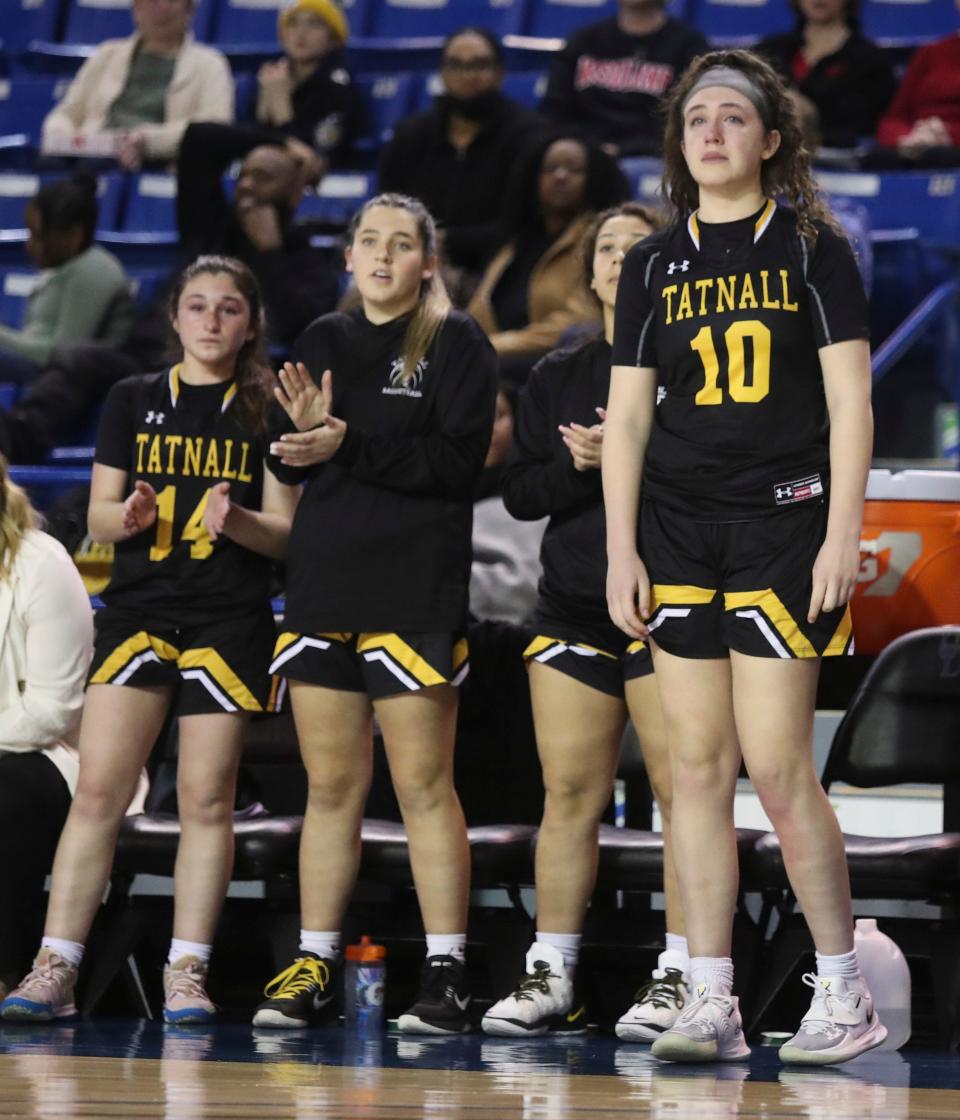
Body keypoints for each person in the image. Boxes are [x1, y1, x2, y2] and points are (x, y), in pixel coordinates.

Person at [604, 49, 882, 1066]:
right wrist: (620, 549)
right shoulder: (649, 262)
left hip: (781, 521)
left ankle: (843, 987)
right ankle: (711, 991)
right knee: (691, 769)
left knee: (775, 767)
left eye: (732, 118)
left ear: (771, 141)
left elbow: (852, 401)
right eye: (695, 120)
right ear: (680, 146)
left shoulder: (814, 246)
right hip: (677, 527)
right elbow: (628, 420)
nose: (711, 132)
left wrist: (844, 531)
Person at [0, 256, 300, 1025]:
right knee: (98, 790)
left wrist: (237, 522)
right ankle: (55, 965)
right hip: (138, 612)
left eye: (227, 308)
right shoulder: (132, 398)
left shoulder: (266, 408)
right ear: (172, 317)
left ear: (249, 323)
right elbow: (97, 514)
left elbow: (286, 535)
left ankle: (187, 971)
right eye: (196, 306)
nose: (210, 320)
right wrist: (125, 515)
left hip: (230, 619)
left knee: (207, 798)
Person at [253, 193, 497, 1035]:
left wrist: (345, 441)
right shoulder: (322, 337)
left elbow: (457, 464)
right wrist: (292, 438)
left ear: (428, 261)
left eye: (402, 245)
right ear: (349, 257)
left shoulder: (456, 341)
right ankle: (315, 961)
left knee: (424, 785)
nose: (383, 256)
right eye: (369, 242)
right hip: (324, 585)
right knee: (330, 788)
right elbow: (289, 456)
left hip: (413, 589)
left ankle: (447, 971)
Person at [480, 201, 694, 1040]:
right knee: (569, 793)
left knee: (685, 796)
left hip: (670, 605)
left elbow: (717, 477)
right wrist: (578, 465)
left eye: (634, 247)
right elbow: (522, 493)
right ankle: (552, 969)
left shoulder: (695, 362)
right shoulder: (558, 374)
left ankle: (683, 969)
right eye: (605, 247)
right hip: (573, 602)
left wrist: (638, 456)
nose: (616, 259)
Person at [0, 125, 341, 466]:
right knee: (76, 358)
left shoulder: (305, 261)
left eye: (263, 177)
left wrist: (270, 253)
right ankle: (19, 439)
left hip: (212, 372)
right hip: (145, 355)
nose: (247, 186)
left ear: (294, 193)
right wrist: (283, 141)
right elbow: (199, 140)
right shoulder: (208, 229)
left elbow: (297, 327)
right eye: (244, 175)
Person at [0, 456, 99, 998]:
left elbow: (52, 712)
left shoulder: (42, 563)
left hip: (53, 760)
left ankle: (6, 968)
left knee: (5, 794)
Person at [378, 27, 544, 278]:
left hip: (497, 271)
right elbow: (385, 207)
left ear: (500, 73)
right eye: (456, 65)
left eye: (479, 65)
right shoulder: (411, 135)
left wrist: (449, 241)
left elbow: (525, 225)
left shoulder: (528, 135)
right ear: (442, 74)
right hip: (415, 263)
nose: (468, 76)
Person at [467, 134, 629, 379]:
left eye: (573, 170)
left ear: (594, 178)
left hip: (555, 361)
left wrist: (491, 346)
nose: (560, 176)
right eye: (550, 168)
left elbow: (580, 323)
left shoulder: (601, 242)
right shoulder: (516, 240)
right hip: (495, 355)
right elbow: (480, 307)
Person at [41, 0, 233, 170]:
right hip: (94, 153)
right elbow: (66, 113)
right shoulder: (107, 54)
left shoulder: (211, 64)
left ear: (190, 9)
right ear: (136, 6)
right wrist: (63, 137)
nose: (162, 6)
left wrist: (149, 140)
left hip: (160, 162)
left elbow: (215, 126)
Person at [0, 175, 132, 385]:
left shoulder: (94, 269)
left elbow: (62, 355)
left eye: (38, 236)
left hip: (66, 383)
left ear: (73, 235)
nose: (29, 245)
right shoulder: (60, 268)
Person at [541, 0, 707, 157]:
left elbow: (686, 120)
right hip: (584, 152)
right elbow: (554, 110)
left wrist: (626, 149)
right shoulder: (583, 41)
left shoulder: (688, 47)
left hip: (649, 156)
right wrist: (590, 146)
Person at [756, 0, 895, 149]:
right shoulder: (769, 51)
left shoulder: (870, 59)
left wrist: (808, 118)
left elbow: (863, 126)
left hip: (837, 160)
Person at [256, 0, 364, 168]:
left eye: (315, 24)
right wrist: (263, 111)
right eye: (293, 23)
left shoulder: (337, 88)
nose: (301, 33)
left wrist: (281, 111)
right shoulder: (274, 79)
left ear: (334, 38)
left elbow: (317, 160)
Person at [874, 12, 960, 165]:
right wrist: (906, 137)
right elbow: (894, 118)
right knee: (877, 159)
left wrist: (948, 135)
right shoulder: (931, 52)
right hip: (917, 144)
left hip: (952, 150)